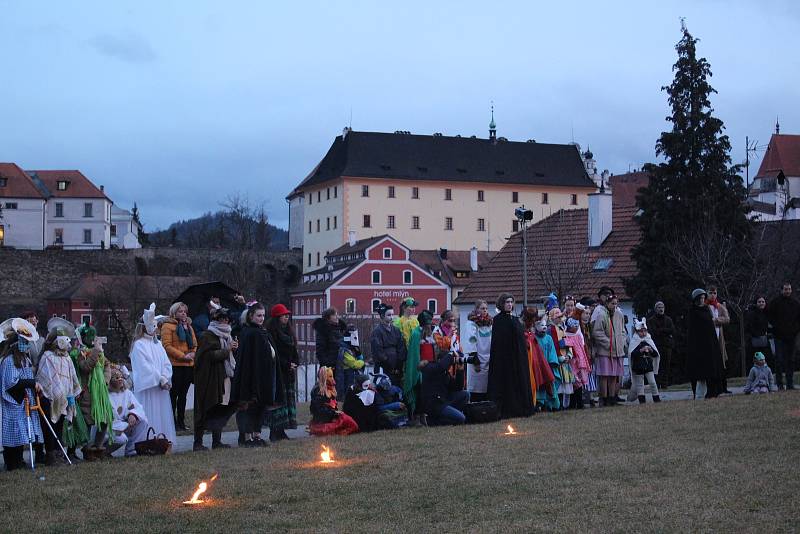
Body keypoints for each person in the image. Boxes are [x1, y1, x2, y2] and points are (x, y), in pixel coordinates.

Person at [231, 302, 283, 447]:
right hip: (252, 377)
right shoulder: (249, 333)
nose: (261, 318)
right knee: (249, 406)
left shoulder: (262, 331)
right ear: (251, 316)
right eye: (258, 315)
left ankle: (256, 435)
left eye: (263, 316)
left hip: (264, 375)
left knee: (261, 406)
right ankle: (247, 437)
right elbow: (249, 360)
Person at [129, 303, 176, 446]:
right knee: (149, 413)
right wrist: (159, 378)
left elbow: (166, 363)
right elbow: (144, 367)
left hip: (160, 388)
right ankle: (145, 442)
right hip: (148, 388)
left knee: (161, 414)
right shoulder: (139, 345)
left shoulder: (158, 344)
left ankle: (161, 441)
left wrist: (166, 377)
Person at [193, 305, 238, 451]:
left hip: (224, 377)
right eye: (222, 319)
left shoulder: (228, 335)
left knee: (220, 407)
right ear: (216, 320)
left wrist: (231, 349)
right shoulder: (207, 335)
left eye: (227, 319)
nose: (225, 322)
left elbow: (228, 358)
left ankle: (216, 441)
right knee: (204, 407)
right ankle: (198, 443)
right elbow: (207, 357)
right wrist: (227, 350)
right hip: (209, 379)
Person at [1, 319, 44, 470]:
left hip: (23, 400)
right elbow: (11, 383)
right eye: (24, 342)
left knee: (21, 433)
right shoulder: (9, 361)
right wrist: (30, 384)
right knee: (13, 432)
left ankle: (18, 460)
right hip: (13, 401)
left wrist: (34, 385)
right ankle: (12, 462)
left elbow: (27, 377)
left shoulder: (25, 360)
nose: (27, 346)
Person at [36, 327, 82, 465]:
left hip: (65, 398)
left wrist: (73, 392)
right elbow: (43, 377)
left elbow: (71, 376)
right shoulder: (47, 356)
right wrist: (50, 393)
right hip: (49, 398)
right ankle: (50, 454)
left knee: (61, 424)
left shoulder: (67, 358)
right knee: (50, 426)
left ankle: (59, 452)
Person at [487, 294, 533, 418]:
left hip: (518, 358)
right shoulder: (498, 320)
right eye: (507, 302)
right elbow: (498, 342)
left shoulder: (515, 319)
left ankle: (520, 408)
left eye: (511, 302)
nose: (509, 304)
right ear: (502, 304)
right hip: (505, 360)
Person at [75, 336, 115, 460]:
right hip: (87, 394)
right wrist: (96, 351)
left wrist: (105, 381)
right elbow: (86, 367)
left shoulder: (100, 354)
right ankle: (87, 450)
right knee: (87, 421)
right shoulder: (81, 353)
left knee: (104, 420)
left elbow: (107, 365)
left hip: (100, 394)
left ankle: (98, 448)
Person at [160, 301, 197, 431]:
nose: (183, 314)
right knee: (173, 395)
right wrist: (182, 356)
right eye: (181, 311)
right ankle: (172, 422)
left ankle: (181, 422)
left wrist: (192, 353)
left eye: (185, 312)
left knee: (183, 395)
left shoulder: (188, 326)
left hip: (188, 365)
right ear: (174, 313)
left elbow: (194, 343)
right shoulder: (167, 326)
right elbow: (167, 345)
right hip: (175, 365)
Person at [267, 303, 300, 431]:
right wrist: (286, 364)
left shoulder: (289, 333)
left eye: (287, 315)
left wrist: (295, 363)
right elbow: (274, 354)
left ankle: (284, 429)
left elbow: (294, 351)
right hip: (279, 372)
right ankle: (276, 430)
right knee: (279, 402)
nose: (286, 317)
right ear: (277, 317)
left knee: (288, 400)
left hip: (289, 372)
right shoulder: (272, 333)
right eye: (283, 315)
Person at [591, 294, 628, 406]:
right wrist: (608, 342)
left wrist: (622, 340)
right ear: (607, 304)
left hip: (617, 350)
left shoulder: (619, 314)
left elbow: (622, 330)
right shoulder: (601, 315)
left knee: (614, 375)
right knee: (605, 375)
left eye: (616, 303)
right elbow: (597, 332)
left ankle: (612, 398)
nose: (614, 306)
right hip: (605, 351)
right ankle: (604, 397)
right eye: (612, 303)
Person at [687, 289, 724, 399]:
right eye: (700, 298)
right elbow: (693, 330)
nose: (702, 300)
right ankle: (699, 395)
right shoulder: (692, 311)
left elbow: (710, 325)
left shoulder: (707, 309)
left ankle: (713, 392)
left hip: (710, 344)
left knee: (712, 369)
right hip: (698, 346)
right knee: (700, 373)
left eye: (703, 298)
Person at [107, 366, 149, 457]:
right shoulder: (106, 396)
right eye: (116, 378)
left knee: (143, 421)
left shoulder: (127, 393)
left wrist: (132, 414)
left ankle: (132, 450)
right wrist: (125, 425)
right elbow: (111, 417)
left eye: (121, 377)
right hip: (113, 427)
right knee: (121, 439)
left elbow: (137, 407)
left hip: (126, 424)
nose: (120, 379)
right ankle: (104, 451)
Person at [419, 351, 470, 425]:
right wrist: (451, 355)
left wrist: (460, 370)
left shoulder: (445, 373)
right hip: (433, 404)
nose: (451, 363)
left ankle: (449, 417)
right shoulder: (430, 367)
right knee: (461, 418)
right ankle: (429, 421)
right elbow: (441, 367)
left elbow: (458, 387)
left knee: (465, 394)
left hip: (443, 402)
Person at [767, 282, 800, 390]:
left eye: (789, 289)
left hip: (792, 336)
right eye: (786, 289)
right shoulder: (775, 302)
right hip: (779, 336)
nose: (787, 291)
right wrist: (776, 329)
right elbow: (770, 317)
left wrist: (795, 330)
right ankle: (780, 384)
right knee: (779, 360)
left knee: (791, 360)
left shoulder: (795, 303)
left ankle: (790, 384)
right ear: (782, 290)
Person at [404, 310, 435, 424]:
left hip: (429, 368)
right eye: (427, 323)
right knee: (419, 392)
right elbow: (414, 354)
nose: (429, 325)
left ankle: (424, 415)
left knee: (426, 394)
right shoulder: (416, 334)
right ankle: (417, 416)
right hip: (419, 369)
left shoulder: (430, 333)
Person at [309, 367, 358, 436]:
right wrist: (333, 413)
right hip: (323, 421)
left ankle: (339, 432)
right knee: (328, 431)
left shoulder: (331, 388)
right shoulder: (318, 391)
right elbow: (317, 410)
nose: (332, 379)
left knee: (352, 424)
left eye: (332, 376)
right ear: (324, 377)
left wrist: (336, 413)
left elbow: (333, 405)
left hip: (333, 418)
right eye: (330, 376)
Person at [462, 301, 493, 402]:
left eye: (486, 308)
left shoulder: (490, 323)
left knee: (488, 387)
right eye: (482, 308)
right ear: (476, 310)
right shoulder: (471, 324)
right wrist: (475, 359)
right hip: (478, 359)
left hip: (489, 359)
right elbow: (471, 341)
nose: (485, 310)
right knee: (476, 387)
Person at [369, 304, 407, 387]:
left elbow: (401, 347)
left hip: (396, 365)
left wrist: (399, 364)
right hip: (383, 366)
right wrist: (388, 365)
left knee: (397, 388)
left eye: (392, 315)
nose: (391, 317)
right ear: (382, 316)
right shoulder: (377, 332)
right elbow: (378, 350)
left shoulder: (396, 330)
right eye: (389, 315)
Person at [313, 307, 348, 391]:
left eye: (337, 314)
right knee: (328, 389)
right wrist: (327, 364)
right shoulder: (323, 330)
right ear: (328, 317)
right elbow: (320, 350)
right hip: (329, 366)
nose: (337, 317)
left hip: (340, 364)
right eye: (334, 315)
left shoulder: (340, 329)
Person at [628, 318, 661, 404]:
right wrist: (640, 350)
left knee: (652, 382)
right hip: (638, 366)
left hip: (648, 366)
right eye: (641, 331)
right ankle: (642, 401)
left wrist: (651, 350)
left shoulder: (648, 340)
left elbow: (655, 354)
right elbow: (631, 354)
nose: (643, 333)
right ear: (637, 331)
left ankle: (656, 398)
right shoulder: (634, 341)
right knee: (639, 385)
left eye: (644, 331)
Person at [707, 286, 731, 394]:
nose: (713, 295)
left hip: (719, 337)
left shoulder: (720, 306)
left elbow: (727, 319)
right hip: (709, 337)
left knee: (722, 362)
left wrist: (716, 320)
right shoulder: (705, 307)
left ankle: (723, 387)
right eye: (711, 292)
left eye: (715, 293)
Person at [533, 318, 561, 411]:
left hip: (547, 365)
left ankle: (551, 405)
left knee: (549, 383)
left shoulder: (549, 338)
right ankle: (539, 403)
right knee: (539, 384)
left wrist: (552, 362)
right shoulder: (533, 338)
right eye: (541, 325)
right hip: (537, 366)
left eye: (545, 325)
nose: (544, 327)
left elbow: (552, 351)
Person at [564, 318, 591, 409]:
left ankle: (579, 403)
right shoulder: (566, 336)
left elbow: (582, 348)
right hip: (572, 362)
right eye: (574, 326)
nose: (576, 328)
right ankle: (572, 404)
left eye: (577, 326)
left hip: (580, 362)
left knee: (579, 383)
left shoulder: (578, 335)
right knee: (573, 382)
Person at [647, 301, 675, 386]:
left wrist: (661, 330)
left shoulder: (669, 319)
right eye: (659, 307)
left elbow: (672, 330)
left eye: (662, 307)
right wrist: (665, 331)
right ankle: (656, 383)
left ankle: (664, 384)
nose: (661, 309)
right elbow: (653, 332)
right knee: (656, 365)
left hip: (667, 345)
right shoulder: (651, 320)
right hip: (656, 345)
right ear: (655, 309)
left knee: (666, 365)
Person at [745, 296, 774, 374]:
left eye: (763, 302)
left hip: (764, 341)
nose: (761, 303)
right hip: (754, 342)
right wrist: (757, 335)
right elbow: (748, 327)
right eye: (759, 302)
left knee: (767, 359)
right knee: (755, 361)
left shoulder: (766, 313)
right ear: (756, 303)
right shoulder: (751, 313)